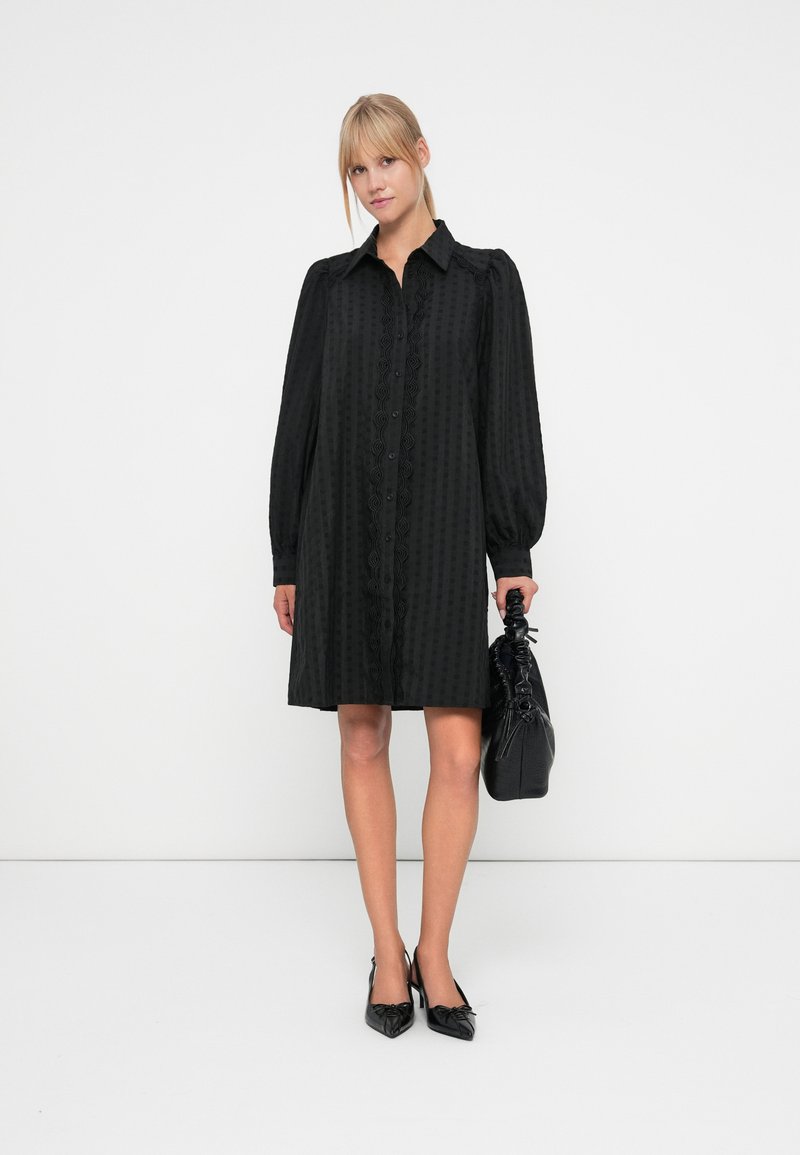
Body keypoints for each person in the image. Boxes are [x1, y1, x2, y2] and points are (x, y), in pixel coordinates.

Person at [268, 94, 547, 1040]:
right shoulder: (328, 287)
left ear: (422, 154)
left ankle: (436, 951)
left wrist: (512, 549)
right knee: (361, 738)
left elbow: (507, 415)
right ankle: (387, 952)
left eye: (386, 160)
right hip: (342, 535)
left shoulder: (485, 280)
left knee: (458, 749)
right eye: (357, 169)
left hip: (442, 536)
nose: (373, 182)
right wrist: (288, 554)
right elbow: (299, 423)